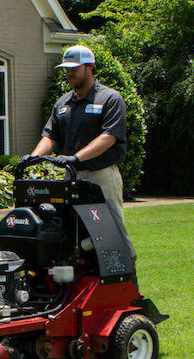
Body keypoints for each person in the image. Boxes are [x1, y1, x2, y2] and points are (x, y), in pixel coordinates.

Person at [31, 44, 129, 225]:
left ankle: (125, 255)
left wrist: (75, 158)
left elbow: (108, 137)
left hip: (101, 176)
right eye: (66, 69)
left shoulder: (110, 99)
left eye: (74, 68)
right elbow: (51, 136)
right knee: (70, 228)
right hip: (71, 177)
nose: (69, 73)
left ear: (90, 66)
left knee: (110, 230)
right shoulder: (62, 103)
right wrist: (33, 157)